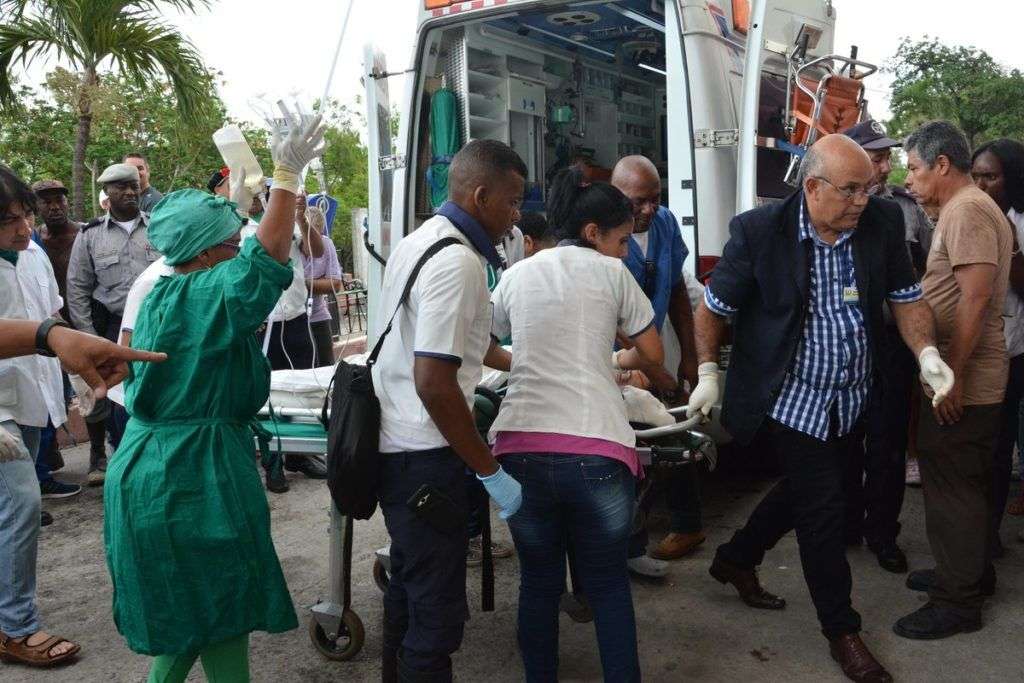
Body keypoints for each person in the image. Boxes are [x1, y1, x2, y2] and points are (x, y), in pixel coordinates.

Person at [688, 135, 952, 682]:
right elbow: (714, 309)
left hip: (853, 392)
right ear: (812, 187)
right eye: (851, 190)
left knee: (810, 489)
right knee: (824, 512)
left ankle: (736, 558)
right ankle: (843, 631)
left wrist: (926, 353)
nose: (863, 199)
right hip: (793, 396)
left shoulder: (879, 224)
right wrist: (708, 372)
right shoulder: (759, 232)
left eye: (869, 188)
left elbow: (906, 299)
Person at [103, 115, 325, 682]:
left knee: (199, 612)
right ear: (205, 254)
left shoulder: (165, 287)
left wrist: (242, 194)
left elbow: (242, 242)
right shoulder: (208, 293)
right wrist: (285, 177)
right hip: (190, 476)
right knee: (215, 606)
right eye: (230, 243)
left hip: (153, 468)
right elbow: (267, 258)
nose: (240, 245)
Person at [490, 166, 676, 682]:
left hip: (520, 447)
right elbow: (653, 353)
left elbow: (482, 341)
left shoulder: (518, 273)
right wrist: (611, 355)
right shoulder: (613, 273)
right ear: (593, 233)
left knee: (539, 582)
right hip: (597, 449)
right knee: (609, 584)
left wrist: (526, 361)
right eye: (621, 241)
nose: (624, 251)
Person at [372, 139, 525, 683]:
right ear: (480, 196)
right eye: (511, 202)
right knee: (436, 618)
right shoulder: (458, 261)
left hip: (396, 447)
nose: (516, 216)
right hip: (425, 459)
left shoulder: (422, 241)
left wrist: (522, 362)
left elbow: (461, 341)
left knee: (410, 592)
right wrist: (488, 469)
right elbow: (435, 383)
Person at [893, 122, 1013, 639]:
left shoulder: (966, 209)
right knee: (961, 482)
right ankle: (966, 573)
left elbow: (976, 298)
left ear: (942, 164)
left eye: (915, 167)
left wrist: (953, 377)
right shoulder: (963, 209)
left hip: (965, 380)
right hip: (961, 375)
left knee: (952, 488)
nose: (909, 178)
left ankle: (958, 602)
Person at [840, 119, 934, 573]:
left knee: (887, 444)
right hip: (840, 345)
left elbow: (925, 274)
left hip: (891, 345)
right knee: (841, 442)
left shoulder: (904, 209)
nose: (884, 165)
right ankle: (844, 523)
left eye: (885, 156)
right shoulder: (827, 207)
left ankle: (882, 532)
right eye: (875, 157)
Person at [0, 165, 81, 667]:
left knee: (9, 513)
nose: (24, 228)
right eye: (9, 221)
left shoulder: (32, 256)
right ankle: (16, 627)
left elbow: (51, 320)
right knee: (24, 504)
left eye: (25, 215)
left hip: (32, 399)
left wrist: (74, 385)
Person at [611, 155, 703, 575]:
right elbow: (610, 315)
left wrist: (690, 356)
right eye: (638, 202)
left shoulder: (664, 223)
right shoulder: (604, 233)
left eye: (655, 199)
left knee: (674, 430)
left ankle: (687, 525)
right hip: (618, 358)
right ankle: (629, 546)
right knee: (624, 447)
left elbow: (679, 292)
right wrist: (647, 368)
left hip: (658, 349)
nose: (648, 209)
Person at [66, 162, 160, 482]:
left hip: (159, 325)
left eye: (133, 185)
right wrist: (90, 338)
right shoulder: (90, 235)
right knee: (117, 399)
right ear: (107, 192)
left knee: (159, 391)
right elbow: (77, 289)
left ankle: (159, 459)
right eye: (121, 187)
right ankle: (124, 461)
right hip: (113, 328)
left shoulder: (158, 226)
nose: (131, 192)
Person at [969, 138, 1024, 553]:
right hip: (978, 347)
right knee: (980, 447)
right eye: (978, 176)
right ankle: (979, 539)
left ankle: (985, 543)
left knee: (1000, 445)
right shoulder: (971, 212)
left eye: (992, 176)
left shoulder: (1018, 219)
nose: (983, 184)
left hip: (1014, 350)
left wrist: (1011, 243)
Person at [300, 205, 343, 367]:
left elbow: (335, 284)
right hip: (292, 321)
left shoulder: (326, 244)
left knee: (326, 369)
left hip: (318, 317)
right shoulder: (289, 245)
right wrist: (319, 281)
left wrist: (302, 283)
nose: (313, 242)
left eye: (316, 235)